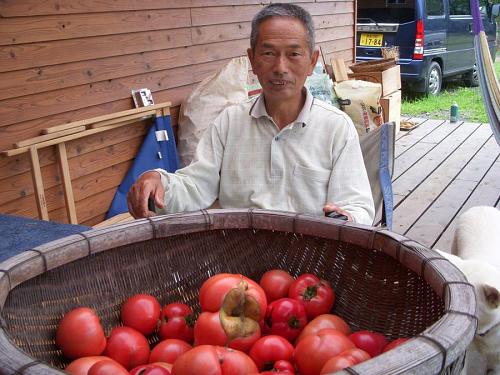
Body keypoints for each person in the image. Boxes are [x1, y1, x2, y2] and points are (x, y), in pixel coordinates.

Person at [127, 3, 375, 224]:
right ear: (252, 60)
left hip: (309, 263)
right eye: (268, 53)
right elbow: (196, 186)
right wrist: (159, 182)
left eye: (294, 54)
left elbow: (357, 206)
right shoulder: (230, 121)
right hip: (238, 262)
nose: (280, 68)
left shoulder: (336, 127)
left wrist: (346, 217)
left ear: (312, 61)